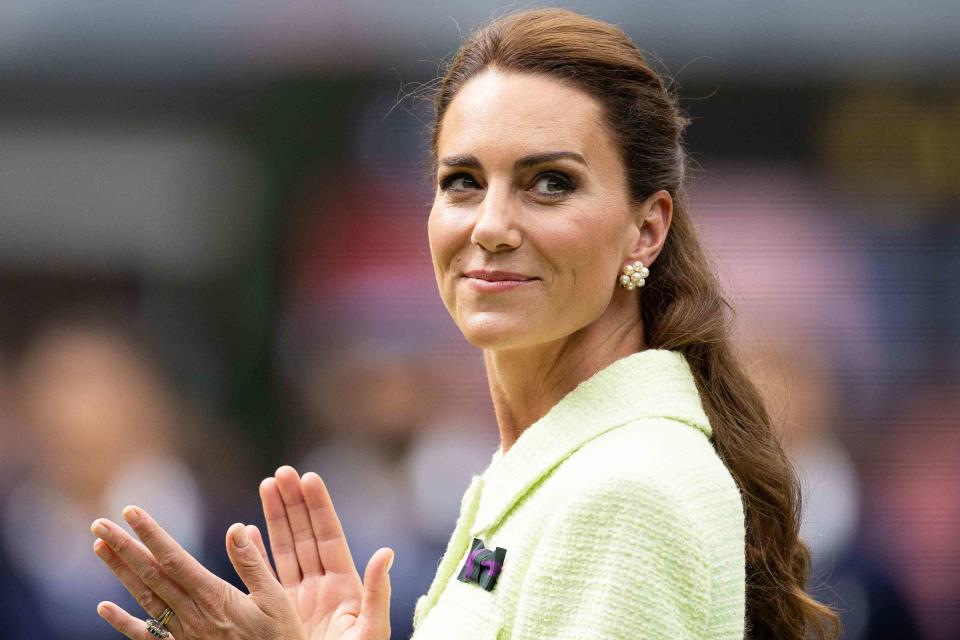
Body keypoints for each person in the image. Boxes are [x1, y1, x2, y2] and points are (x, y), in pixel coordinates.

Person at [89, 7, 843, 639]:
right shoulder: (551, 468)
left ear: (646, 230)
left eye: (551, 183)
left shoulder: (621, 492)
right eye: (462, 182)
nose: (491, 225)